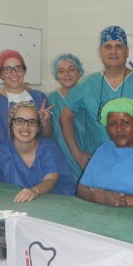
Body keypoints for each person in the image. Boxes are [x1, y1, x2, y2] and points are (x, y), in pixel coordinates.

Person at [60, 26, 133, 169]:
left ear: (127, 51)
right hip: (99, 163)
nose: (113, 51)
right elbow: (65, 117)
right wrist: (76, 152)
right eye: (108, 46)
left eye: (118, 46)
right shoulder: (88, 84)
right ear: (100, 52)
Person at [0, 101, 75, 199]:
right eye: (19, 121)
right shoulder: (1, 153)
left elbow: (50, 180)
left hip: (54, 205)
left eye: (32, 122)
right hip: (18, 208)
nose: (25, 127)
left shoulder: (49, 148)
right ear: (11, 125)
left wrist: (34, 191)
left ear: (38, 127)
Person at [0, 49, 53, 147]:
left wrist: (45, 122)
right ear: (1, 74)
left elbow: (47, 136)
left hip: (37, 155)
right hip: (3, 155)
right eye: (7, 69)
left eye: (18, 68)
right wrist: (1, 156)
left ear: (24, 71)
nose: (14, 73)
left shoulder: (39, 97)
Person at [46, 53, 86, 182]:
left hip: (84, 155)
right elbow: (46, 134)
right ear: (56, 75)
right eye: (61, 71)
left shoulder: (87, 97)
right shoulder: (49, 100)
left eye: (71, 70)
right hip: (59, 157)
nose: (66, 74)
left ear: (79, 72)